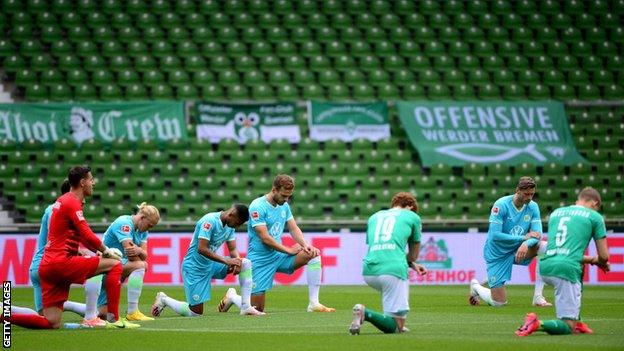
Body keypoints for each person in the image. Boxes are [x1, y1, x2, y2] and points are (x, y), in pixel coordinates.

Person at [3, 166, 138, 329]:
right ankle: (113, 320)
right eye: (91, 179)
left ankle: (4, 316)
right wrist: (106, 251)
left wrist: (90, 251)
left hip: (48, 265)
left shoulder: (61, 202)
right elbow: (87, 235)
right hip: (61, 263)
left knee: (52, 322)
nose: (93, 183)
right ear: (82, 182)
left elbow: (77, 236)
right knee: (115, 265)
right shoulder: (71, 202)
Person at [225, 174, 334, 313]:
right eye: (283, 195)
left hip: (278, 256)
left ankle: (314, 303)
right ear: (274, 189)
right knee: (256, 309)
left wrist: (304, 244)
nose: (286, 199)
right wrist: (288, 250)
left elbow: (293, 228)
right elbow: (265, 237)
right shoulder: (257, 206)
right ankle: (232, 296)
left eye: (289, 196)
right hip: (260, 259)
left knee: (313, 254)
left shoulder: (284, 206)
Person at [516, 187, 610, 336]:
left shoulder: (556, 213)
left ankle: (577, 321)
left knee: (579, 265)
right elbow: (604, 256)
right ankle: (538, 323)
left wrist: (591, 260)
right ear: (595, 203)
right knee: (567, 327)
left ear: (578, 200)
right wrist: (600, 261)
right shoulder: (594, 217)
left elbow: (562, 250)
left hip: (545, 267)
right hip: (565, 271)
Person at [151, 204, 264, 317]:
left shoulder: (229, 227)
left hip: (211, 264)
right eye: (237, 223)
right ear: (231, 215)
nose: (237, 227)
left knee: (245, 263)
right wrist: (227, 261)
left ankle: (245, 306)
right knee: (195, 313)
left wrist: (237, 261)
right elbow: (201, 249)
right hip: (195, 268)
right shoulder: (209, 221)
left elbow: (233, 249)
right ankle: (164, 299)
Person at [349, 192, 427, 335]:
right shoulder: (413, 217)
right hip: (393, 271)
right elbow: (414, 255)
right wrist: (411, 262)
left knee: (393, 316)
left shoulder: (374, 217)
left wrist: (412, 265)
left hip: (369, 271)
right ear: (409, 206)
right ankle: (365, 313)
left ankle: (388, 319)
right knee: (397, 327)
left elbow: (382, 247)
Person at [469, 176, 551, 307]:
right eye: (526, 194)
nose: (529, 198)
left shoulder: (533, 207)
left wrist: (525, 243)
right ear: (517, 190)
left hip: (518, 249)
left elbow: (537, 235)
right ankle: (476, 287)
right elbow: (495, 235)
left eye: (532, 194)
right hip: (498, 252)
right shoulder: (501, 205)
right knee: (498, 303)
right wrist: (523, 238)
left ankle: (538, 297)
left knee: (545, 247)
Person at [78, 202, 160, 322]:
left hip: (115, 268)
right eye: (149, 225)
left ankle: (65, 306)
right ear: (142, 218)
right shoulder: (124, 223)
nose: (149, 229)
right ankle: (133, 312)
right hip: (104, 268)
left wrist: (138, 250)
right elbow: (132, 255)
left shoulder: (143, 231)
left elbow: (144, 254)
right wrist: (139, 253)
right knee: (141, 266)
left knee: (102, 315)